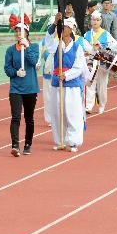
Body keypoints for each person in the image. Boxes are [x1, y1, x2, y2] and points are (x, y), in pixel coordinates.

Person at [44, 15, 88, 152]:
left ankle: (74, 141)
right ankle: (60, 140)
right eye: (61, 27)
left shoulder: (77, 47)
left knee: (72, 113)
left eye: (65, 27)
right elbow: (48, 40)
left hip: (72, 84)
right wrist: (54, 24)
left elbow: (79, 67)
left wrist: (67, 75)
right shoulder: (56, 45)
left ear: (72, 29)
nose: (62, 29)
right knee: (57, 113)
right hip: (58, 84)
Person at [4, 22, 39, 156]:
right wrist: (16, 72)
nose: (18, 34)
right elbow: (7, 69)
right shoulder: (11, 50)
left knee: (29, 118)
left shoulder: (34, 46)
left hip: (30, 88)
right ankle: (15, 145)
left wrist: (27, 46)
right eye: (17, 31)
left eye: (21, 31)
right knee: (16, 117)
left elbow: (34, 61)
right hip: (16, 89)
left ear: (27, 33)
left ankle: (28, 143)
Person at [83, 11, 114, 114]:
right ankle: (89, 106)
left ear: (101, 21)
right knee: (90, 83)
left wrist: (102, 47)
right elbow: (83, 48)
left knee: (102, 85)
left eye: (97, 20)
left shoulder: (106, 34)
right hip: (90, 62)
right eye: (93, 20)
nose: (95, 22)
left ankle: (102, 104)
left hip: (102, 62)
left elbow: (112, 47)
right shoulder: (87, 34)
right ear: (90, 21)